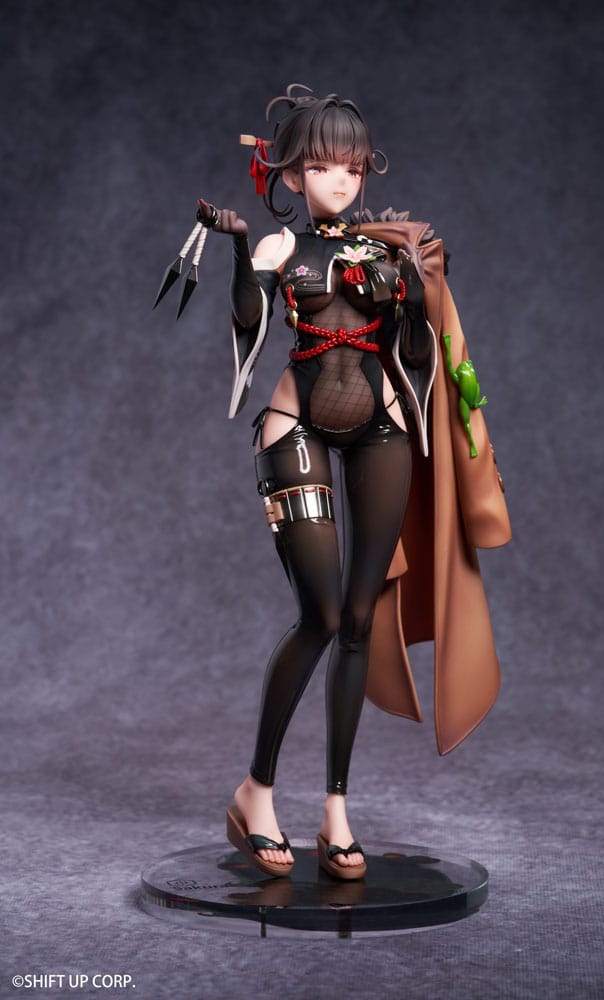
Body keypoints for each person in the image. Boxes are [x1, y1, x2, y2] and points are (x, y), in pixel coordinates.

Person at [194, 85, 510, 881]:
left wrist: (410, 293)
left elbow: (420, 354)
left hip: (381, 429)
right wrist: (240, 250)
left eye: (353, 165)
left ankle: (336, 810)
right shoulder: (281, 249)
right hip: (296, 424)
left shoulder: (389, 254)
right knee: (323, 614)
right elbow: (247, 324)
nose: (340, 178)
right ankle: (256, 792)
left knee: (361, 621)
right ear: (290, 174)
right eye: (322, 165)